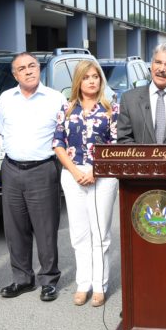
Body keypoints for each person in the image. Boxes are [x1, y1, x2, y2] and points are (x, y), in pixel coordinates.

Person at [0, 52, 67, 302]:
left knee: (45, 228)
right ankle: (22, 279)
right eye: (22, 68)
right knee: (15, 228)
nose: (28, 71)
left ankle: (48, 280)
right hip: (11, 168)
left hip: (42, 169)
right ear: (15, 74)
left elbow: (63, 133)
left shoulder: (55, 98)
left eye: (32, 66)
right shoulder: (6, 98)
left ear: (39, 69)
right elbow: (3, 130)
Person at [53, 60, 119, 307]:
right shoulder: (67, 109)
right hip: (72, 174)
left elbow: (115, 144)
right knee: (79, 233)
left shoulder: (111, 108)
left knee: (100, 233)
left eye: (96, 77)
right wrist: (73, 170)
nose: (92, 81)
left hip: (102, 175)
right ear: (78, 81)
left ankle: (100, 285)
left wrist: (95, 170)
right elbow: (58, 143)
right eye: (86, 77)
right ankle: (84, 284)